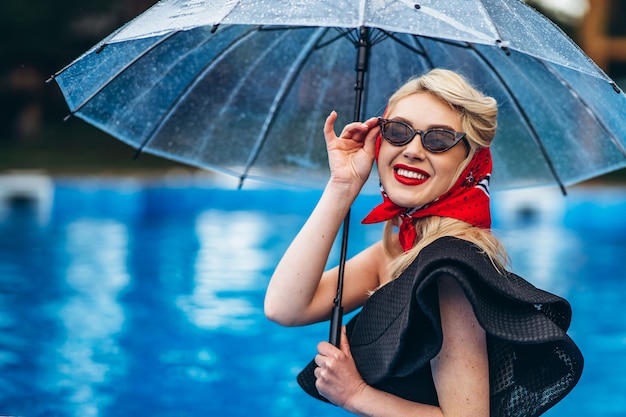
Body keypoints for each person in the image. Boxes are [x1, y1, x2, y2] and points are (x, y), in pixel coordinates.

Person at [264, 69, 582, 417]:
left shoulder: (449, 272)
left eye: (439, 139)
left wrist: (355, 394)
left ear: (468, 163)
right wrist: (342, 186)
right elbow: (285, 306)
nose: (413, 150)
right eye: (398, 132)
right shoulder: (401, 250)